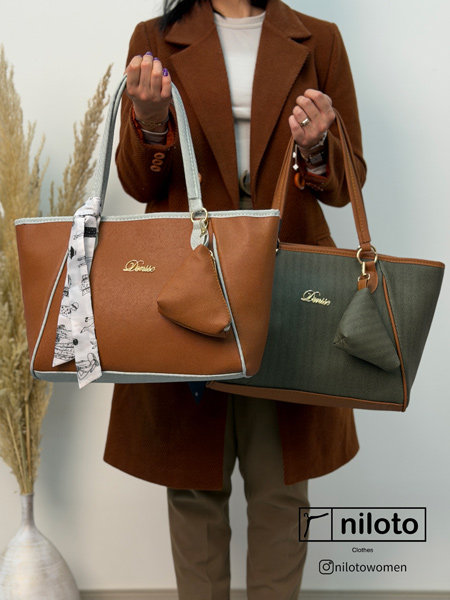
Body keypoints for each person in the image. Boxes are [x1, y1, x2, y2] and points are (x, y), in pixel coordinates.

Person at [104, 0, 366, 597]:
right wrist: (150, 122)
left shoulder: (319, 39)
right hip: (187, 286)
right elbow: (140, 183)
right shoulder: (155, 38)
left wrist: (319, 148)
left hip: (286, 284)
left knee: (281, 488)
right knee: (194, 483)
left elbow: (348, 184)